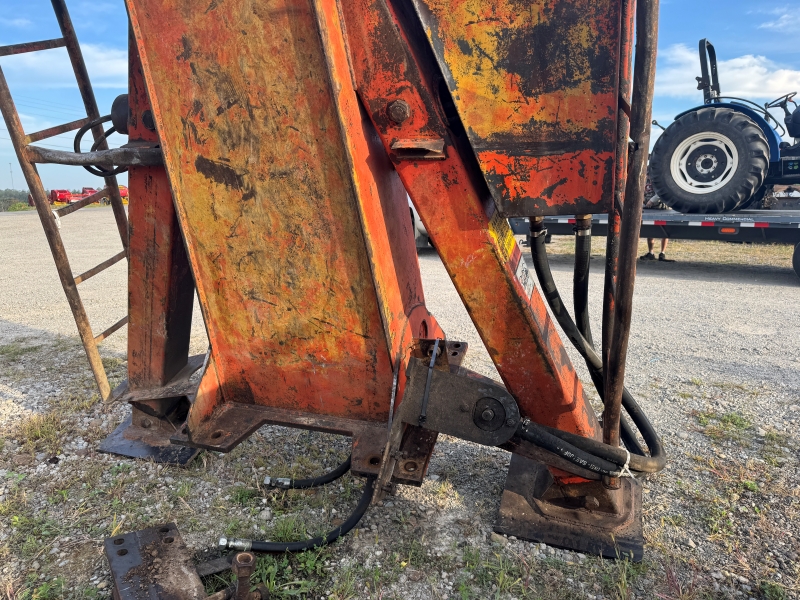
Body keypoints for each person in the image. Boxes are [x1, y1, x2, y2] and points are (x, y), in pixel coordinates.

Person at [640, 175, 675, 262]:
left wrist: (652, 200)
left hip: (662, 207)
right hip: (649, 208)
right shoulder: (644, 177)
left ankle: (662, 253)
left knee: (664, 230)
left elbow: (662, 191)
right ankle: (651, 253)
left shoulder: (660, 177)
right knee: (650, 230)